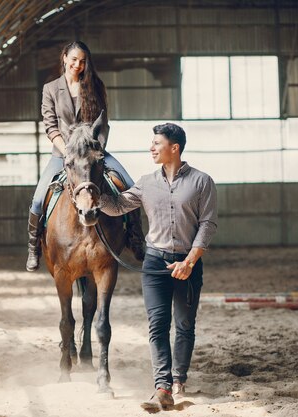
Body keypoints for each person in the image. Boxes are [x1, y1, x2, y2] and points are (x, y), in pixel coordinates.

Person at [99, 123, 218, 410]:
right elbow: (117, 206)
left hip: (188, 262)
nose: (151, 148)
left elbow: (207, 224)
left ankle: (179, 377)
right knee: (157, 325)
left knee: (185, 324)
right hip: (155, 262)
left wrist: (190, 261)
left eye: (156, 143)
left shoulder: (202, 182)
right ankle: (162, 387)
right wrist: (92, 197)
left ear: (174, 148)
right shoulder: (146, 182)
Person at [26, 41, 145, 271]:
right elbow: (51, 126)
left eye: (82, 61)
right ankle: (33, 248)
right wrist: (69, 151)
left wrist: (94, 152)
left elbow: (103, 124)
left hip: (93, 153)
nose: (78, 65)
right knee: (39, 199)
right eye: (73, 60)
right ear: (64, 58)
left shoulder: (95, 85)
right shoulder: (50, 89)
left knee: (129, 185)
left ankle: (135, 238)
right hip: (63, 153)